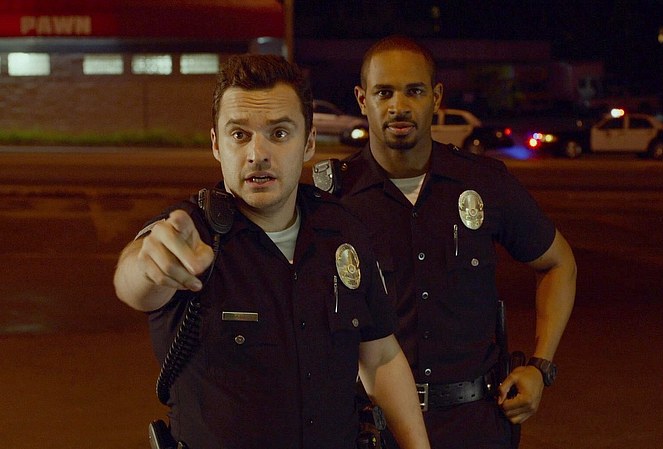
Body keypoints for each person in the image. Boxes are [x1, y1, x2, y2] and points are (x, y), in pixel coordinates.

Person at [113, 54, 430, 449]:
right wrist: (146, 267)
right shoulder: (190, 233)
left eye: (279, 133)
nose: (257, 153)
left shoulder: (343, 230)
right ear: (216, 144)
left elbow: (380, 354)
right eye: (239, 134)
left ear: (309, 142)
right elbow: (135, 280)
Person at [317, 36, 577, 448]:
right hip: (374, 430)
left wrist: (540, 367)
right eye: (384, 92)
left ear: (436, 97)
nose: (399, 106)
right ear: (362, 100)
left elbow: (558, 263)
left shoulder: (485, 183)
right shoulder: (333, 202)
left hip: (476, 425)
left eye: (414, 91)